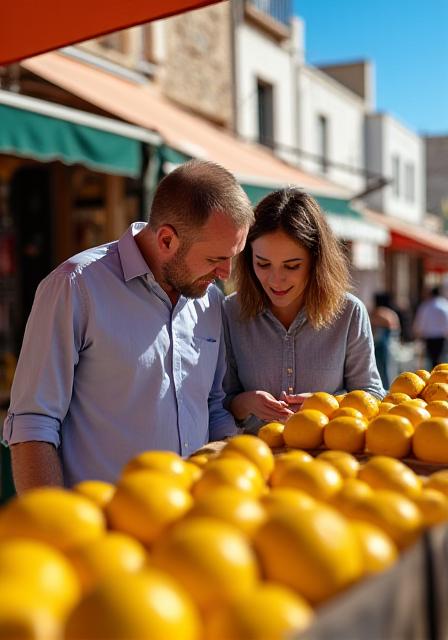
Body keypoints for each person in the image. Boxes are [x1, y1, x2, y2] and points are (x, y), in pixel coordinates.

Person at [2, 160, 254, 491]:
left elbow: (212, 406)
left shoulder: (210, 300)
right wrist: (54, 527)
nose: (226, 273)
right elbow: (33, 425)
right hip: (101, 533)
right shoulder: (75, 287)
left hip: (192, 526)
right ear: (166, 240)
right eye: (215, 259)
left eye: (232, 256)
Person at [223, 188, 385, 433]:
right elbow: (217, 401)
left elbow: (374, 397)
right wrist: (245, 403)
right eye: (263, 264)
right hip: (252, 461)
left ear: (316, 261)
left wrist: (327, 406)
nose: (276, 280)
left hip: (330, 463)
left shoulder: (350, 313)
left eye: (292, 266)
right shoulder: (230, 312)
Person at [370, 292, 401, 389]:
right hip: (393, 342)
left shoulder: (379, 312)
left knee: (382, 370)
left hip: (382, 344)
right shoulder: (391, 312)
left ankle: (385, 390)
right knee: (391, 368)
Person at [413, 286, 448, 369]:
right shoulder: (444, 305)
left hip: (429, 336)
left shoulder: (426, 305)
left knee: (431, 359)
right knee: (440, 358)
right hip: (441, 336)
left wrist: (417, 332)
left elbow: (420, 321)